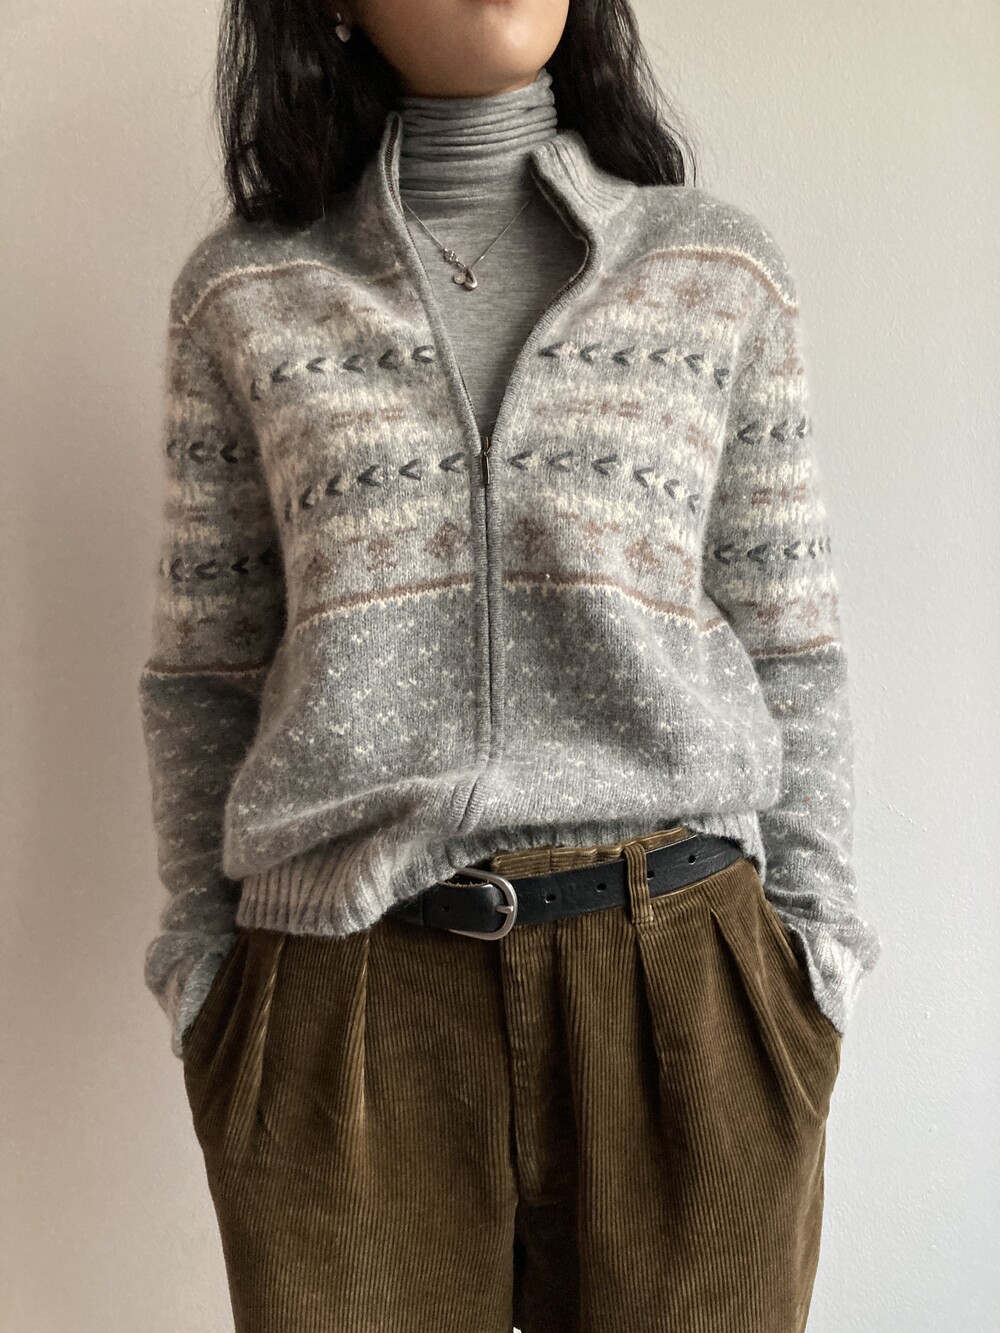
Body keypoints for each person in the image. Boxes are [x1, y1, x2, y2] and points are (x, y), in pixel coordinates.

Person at [137, 1, 882, 1329]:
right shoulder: (245, 292)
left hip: (685, 992)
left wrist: (813, 959)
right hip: (345, 1003)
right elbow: (206, 668)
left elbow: (790, 641)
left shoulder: (714, 271)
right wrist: (206, 980)